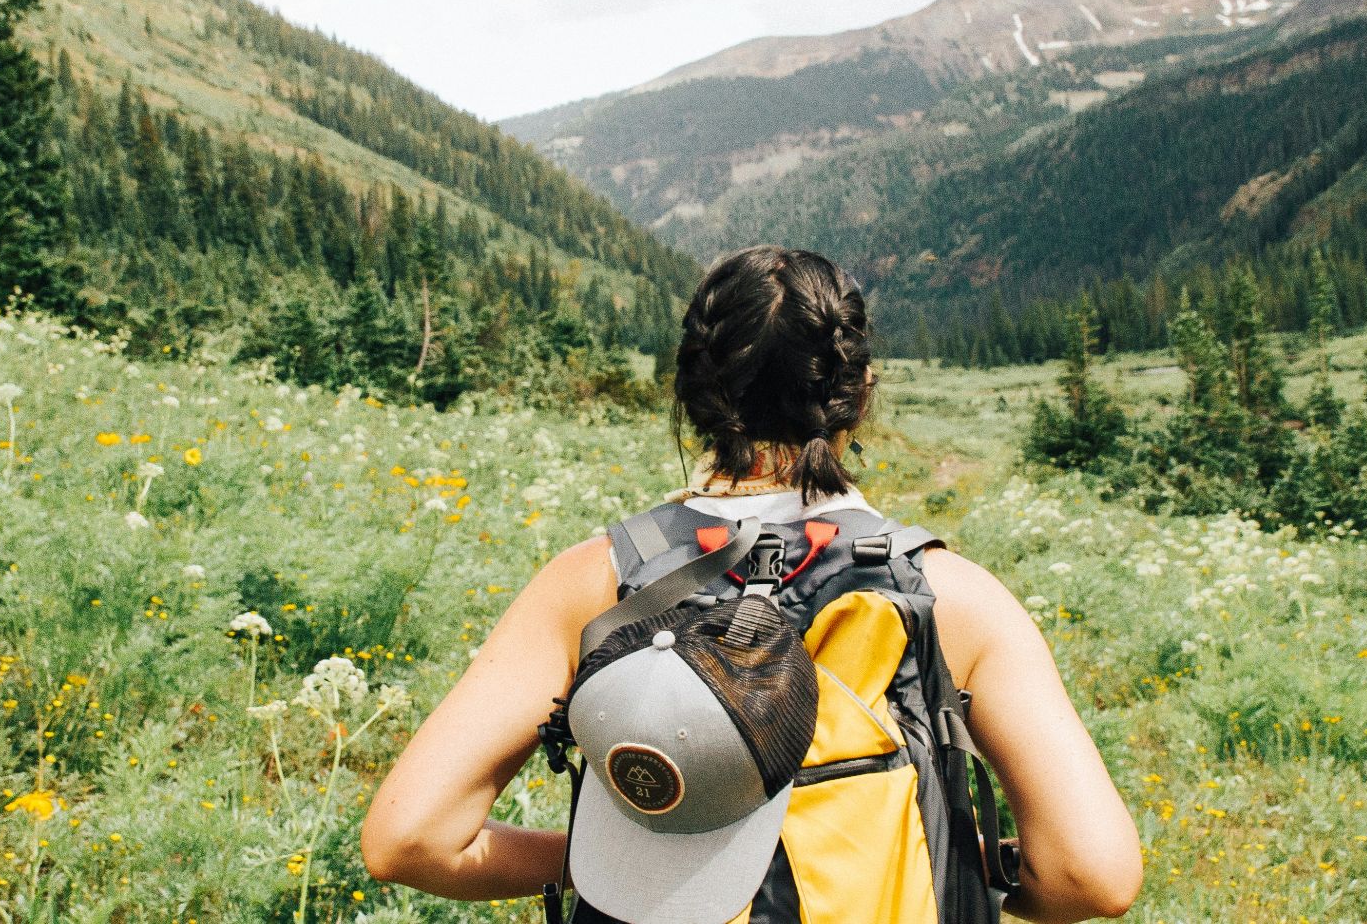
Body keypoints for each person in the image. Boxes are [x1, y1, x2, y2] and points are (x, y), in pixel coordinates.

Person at [361, 246, 1142, 922]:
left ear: (692, 394)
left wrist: (595, 864)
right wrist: (965, 873)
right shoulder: (950, 596)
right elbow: (1093, 875)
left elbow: (411, 839)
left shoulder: (594, 581)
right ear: (860, 392)